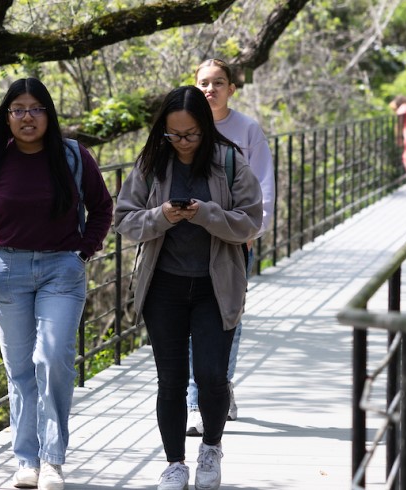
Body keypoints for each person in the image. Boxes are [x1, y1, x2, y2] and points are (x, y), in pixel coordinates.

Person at [0, 77, 113, 490]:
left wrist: (83, 252)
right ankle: (27, 460)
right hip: (6, 271)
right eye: (18, 110)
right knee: (20, 369)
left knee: (53, 360)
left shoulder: (72, 156)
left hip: (61, 271)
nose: (28, 117)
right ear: (7, 116)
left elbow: (101, 207)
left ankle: (53, 461)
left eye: (36, 109)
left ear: (49, 112)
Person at [114, 85, 262, 490]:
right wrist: (161, 216)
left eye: (191, 134)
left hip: (217, 286)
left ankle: (211, 448)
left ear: (205, 130)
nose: (182, 143)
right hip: (164, 286)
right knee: (171, 379)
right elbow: (125, 220)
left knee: (213, 375)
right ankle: (174, 464)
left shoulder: (229, 161)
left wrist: (207, 215)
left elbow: (251, 220)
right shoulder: (150, 165)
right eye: (173, 134)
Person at [184, 58, 276, 437]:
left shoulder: (247, 129)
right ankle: (195, 403)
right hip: (188, 241)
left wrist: (255, 228)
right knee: (191, 321)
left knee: (228, 320)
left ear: (231, 88)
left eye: (218, 82)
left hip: (235, 239)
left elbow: (264, 184)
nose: (211, 89)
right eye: (204, 82)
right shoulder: (183, 127)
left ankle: (219, 387)